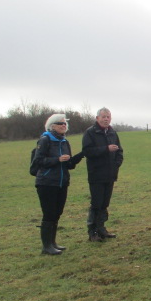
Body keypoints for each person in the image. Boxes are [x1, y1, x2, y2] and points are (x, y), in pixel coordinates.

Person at [32, 114, 83, 255]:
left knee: (57, 213)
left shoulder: (65, 142)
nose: (63, 125)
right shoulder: (45, 140)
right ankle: (46, 246)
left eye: (65, 123)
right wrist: (57, 159)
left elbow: (69, 165)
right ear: (52, 126)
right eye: (60, 123)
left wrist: (79, 156)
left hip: (62, 183)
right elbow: (39, 161)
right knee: (49, 214)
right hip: (47, 183)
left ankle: (53, 243)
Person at [82, 107, 123, 242]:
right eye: (103, 116)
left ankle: (101, 229)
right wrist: (106, 149)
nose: (106, 119)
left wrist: (116, 164)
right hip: (96, 175)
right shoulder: (90, 133)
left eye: (108, 117)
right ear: (97, 118)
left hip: (110, 175)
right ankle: (92, 232)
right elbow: (87, 151)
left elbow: (119, 151)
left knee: (105, 204)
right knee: (96, 204)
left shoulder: (112, 132)